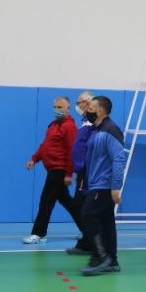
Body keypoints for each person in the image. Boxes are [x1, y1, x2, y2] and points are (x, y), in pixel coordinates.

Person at [23, 96, 86, 244]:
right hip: (52, 169)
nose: (57, 110)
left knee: (46, 201)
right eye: (55, 107)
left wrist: (69, 174)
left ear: (67, 108)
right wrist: (34, 159)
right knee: (67, 202)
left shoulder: (69, 127)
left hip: (59, 170)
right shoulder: (53, 125)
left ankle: (38, 233)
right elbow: (45, 145)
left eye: (60, 107)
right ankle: (87, 229)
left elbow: (72, 151)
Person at [79, 96, 126, 276]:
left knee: (87, 214)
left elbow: (118, 159)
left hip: (104, 185)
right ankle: (112, 261)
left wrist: (116, 187)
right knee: (106, 222)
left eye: (90, 108)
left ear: (100, 110)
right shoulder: (96, 130)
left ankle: (100, 255)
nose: (86, 111)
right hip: (96, 183)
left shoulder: (110, 130)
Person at [65, 91, 95, 255]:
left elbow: (89, 147)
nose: (77, 105)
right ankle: (87, 242)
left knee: (81, 206)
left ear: (88, 103)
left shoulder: (91, 123)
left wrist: (82, 167)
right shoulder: (84, 122)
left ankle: (92, 242)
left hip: (87, 172)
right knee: (80, 206)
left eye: (79, 102)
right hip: (81, 172)